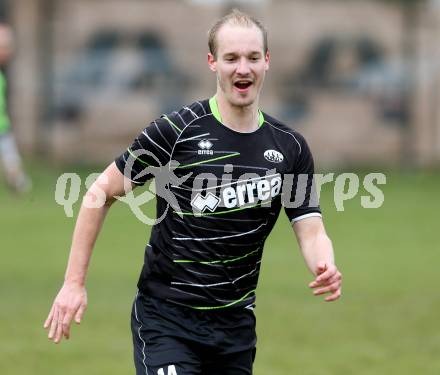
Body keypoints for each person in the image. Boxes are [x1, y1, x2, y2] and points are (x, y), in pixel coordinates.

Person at [44, 10, 342, 374]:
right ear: (212, 62)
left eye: (252, 57)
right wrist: (73, 284)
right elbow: (99, 193)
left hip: (234, 326)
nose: (242, 69)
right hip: (167, 319)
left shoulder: (290, 147)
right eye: (231, 58)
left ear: (267, 61)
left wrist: (324, 264)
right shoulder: (175, 132)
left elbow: (310, 229)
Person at [0, 23, 31, 193]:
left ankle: (18, 186)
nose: (7, 51)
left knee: (13, 166)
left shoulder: (2, 74)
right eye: (3, 47)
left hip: (2, 128)